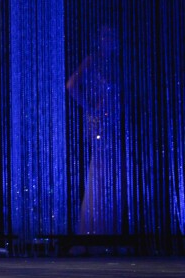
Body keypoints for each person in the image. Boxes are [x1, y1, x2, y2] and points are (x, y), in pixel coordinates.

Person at [66, 25, 124, 236]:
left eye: (112, 36)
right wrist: (90, 108)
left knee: (111, 169)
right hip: (100, 121)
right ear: (99, 40)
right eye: (106, 36)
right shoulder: (93, 60)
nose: (110, 40)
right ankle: (94, 230)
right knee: (100, 170)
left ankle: (108, 230)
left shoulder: (115, 65)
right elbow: (71, 84)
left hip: (113, 121)